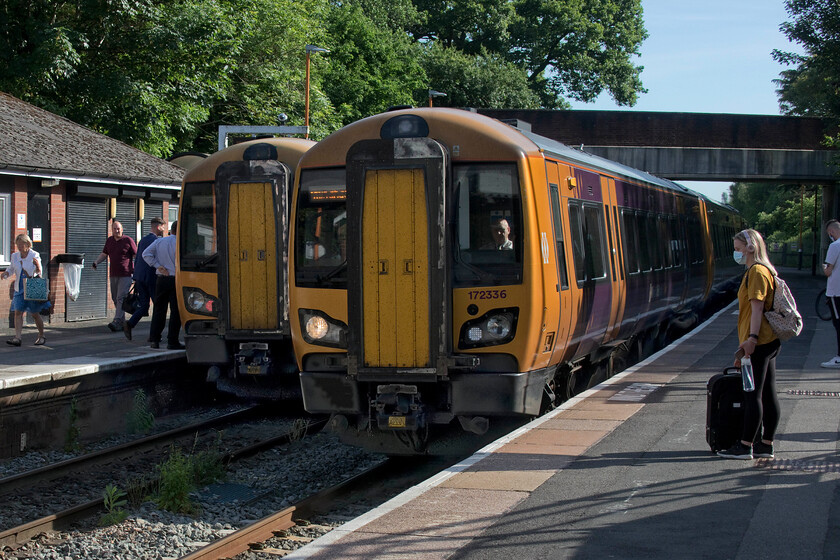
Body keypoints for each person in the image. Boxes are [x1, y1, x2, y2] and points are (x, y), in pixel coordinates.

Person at [718, 228, 781, 460]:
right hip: (768, 340)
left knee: (752, 394)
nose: (737, 254)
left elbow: (757, 308)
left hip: (758, 340)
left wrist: (750, 340)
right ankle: (765, 444)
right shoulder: (764, 270)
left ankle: (745, 446)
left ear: (751, 247)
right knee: (767, 393)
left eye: (738, 249)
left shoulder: (756, 272)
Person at [1, 233, 50, 346]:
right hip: (19, 287)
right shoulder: (15, 256)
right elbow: (11, 269)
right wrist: (6, 273)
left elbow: (39, 272)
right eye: (17, 245)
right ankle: (17, 338)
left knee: (34, 313)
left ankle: (41, 336)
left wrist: (37, 267)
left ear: (27, 244)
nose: (19, 247)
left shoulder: (34, 255)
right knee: (18, 312)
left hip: (31, 286)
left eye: (21, 245)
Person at [124, 217, 166, 341]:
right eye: (163, 227)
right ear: (158, 227)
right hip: (152, 277)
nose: (164, 229)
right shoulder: (157, 241)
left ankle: (130, 323)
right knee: (158, 307)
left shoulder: (143, 240)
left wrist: (135, 276)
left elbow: (137, 258)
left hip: (140, 277)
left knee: (144, 306)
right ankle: (154, 335)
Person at [143, 221, 182, 349]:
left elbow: (146, 254)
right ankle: (172, 341)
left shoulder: (160, 241)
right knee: (176, 311)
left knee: (159, 309)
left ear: (171, 229)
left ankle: (155, 339)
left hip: (161, 279)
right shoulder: (180, 243)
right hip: (176, 279)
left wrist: (157, 266)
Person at [92, 221, 137, 332]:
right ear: (112, 230)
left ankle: (116, 320)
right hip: (113, 274)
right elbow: (104, 254)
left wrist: (137, 271)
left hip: (126, 274)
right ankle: (122, 322)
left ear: (122, 229)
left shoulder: (128, 240)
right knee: (114, 298)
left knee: (121, 297)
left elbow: (137, 255)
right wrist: (96, 262)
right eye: (114, 229)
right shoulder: (110, 241)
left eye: (118, 229)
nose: (117, 231)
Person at [821, 219, 840, 368]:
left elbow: (828, 271)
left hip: (835, 292)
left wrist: (823, 267)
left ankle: (839, 357)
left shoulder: (835, 246)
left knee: (838, 324)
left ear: (831, 232)